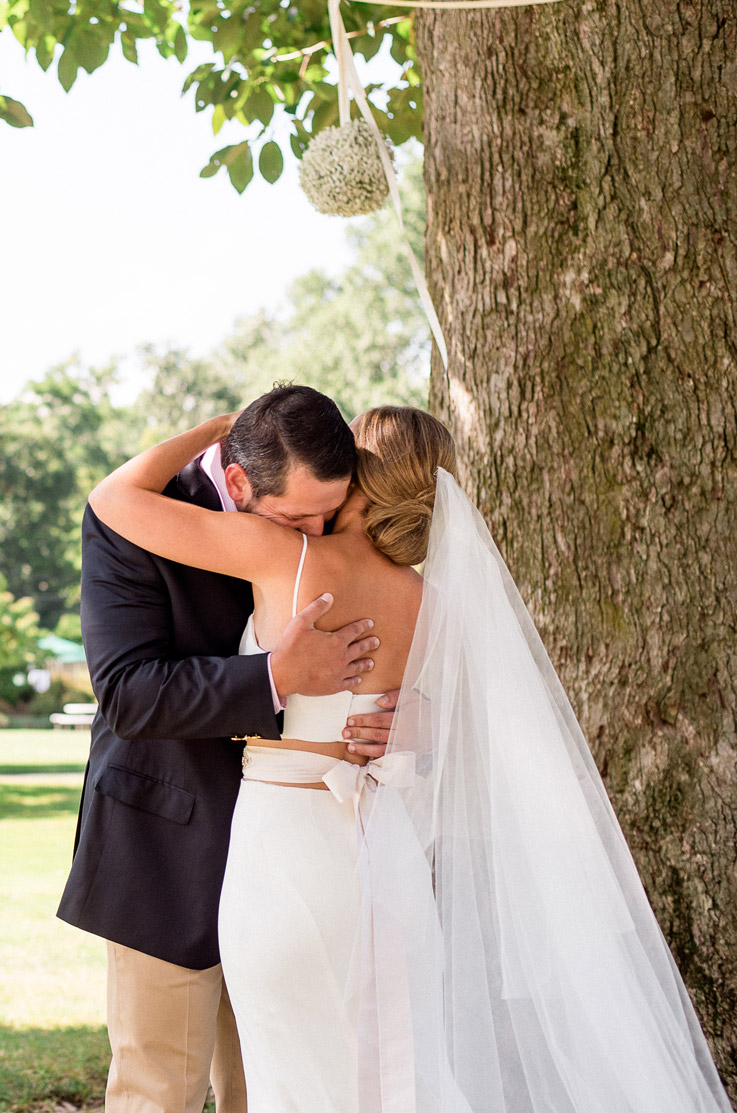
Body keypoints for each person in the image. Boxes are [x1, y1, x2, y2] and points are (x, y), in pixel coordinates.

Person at [88, 402, 734, 1113]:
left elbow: (112, 498)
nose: (308, 517)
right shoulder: (433, 603)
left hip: (284, 853)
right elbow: (477, 726)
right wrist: (426, 721)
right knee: (384, 1074)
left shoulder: (289, 555)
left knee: (290, 1075)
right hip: (373, 858)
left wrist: (211, 426)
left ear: (353, 475)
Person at [57, 385, 398, 1113]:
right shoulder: (140, 519)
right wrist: (275, 677)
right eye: (298, 516)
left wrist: (397, 713)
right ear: (239, 480)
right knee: (159, 1094)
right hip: (165, 846)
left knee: (275, 1087)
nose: (316, 530)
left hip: (291, 861)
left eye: (328, 512)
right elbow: (127, 693)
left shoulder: (326, 530)